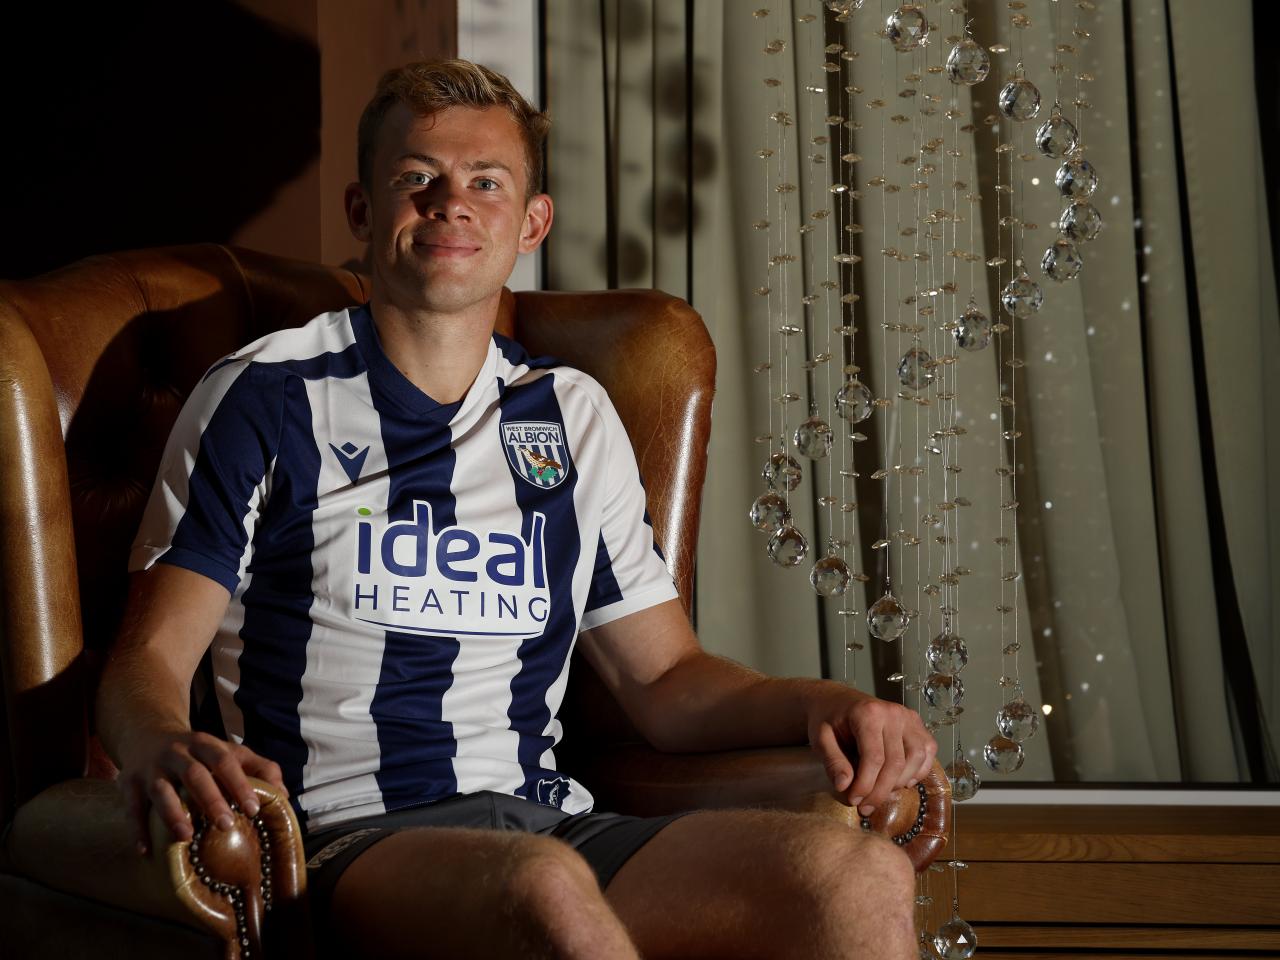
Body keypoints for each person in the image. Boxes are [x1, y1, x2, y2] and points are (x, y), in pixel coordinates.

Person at [98, 59, 936, 959]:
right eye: (416, 178)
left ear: (531, 223)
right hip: (343, 839)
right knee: (543, 889)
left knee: (859, 875)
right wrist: (158, 742)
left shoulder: (570, 413)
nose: (450, 205)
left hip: (550, 825)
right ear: (363, 212)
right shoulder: (267, 396)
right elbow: (147, 661)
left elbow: (665, 682)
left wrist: (828, 702)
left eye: (485, 183)